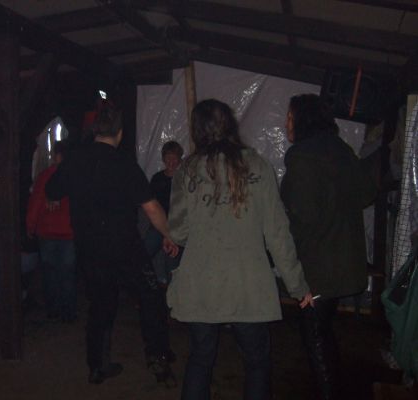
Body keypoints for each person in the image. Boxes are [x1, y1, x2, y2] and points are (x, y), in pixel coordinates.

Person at [166, 99, 312, 400]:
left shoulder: (187, 170)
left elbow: (178, 232)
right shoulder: (258, 166)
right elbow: (277, 234)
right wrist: (298, 286)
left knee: (200, 358)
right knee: (256, 362)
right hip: (248, 283)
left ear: (196, 130)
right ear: (231, 125)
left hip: (202, 282)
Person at [45, 104, 178, 385]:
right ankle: (158, 358)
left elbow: (52, 189)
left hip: (89, 249)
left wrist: (58, 190)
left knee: (100, 304)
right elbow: (152, 207)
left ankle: (97, 365)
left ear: (95, 130)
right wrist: (169, 234)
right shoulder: (123, 163)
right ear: (119, 133)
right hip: (124, 247)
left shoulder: (75, 159)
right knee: (151, 297)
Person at [280, 94, 376, 400]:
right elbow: (366, 193)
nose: (286, 124)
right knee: (323, 331)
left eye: (290, 117)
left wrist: (286, 259)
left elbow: (302, 216)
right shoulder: (340, 149)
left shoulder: (301, 156)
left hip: (317, 269)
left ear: (303, 119)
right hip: (345, 263)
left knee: (315, 337)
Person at [27, 141, 76, 322]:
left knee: (50, 273)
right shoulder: (76, 176)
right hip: (69, 233)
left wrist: (30, 226)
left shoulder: (46, 176)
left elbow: (35, 203)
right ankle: (68, 311)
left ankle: (54, 309)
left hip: (47, 232)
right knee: (67, 273)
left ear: (58, 155)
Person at [144, 141, 184, 284]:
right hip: (158, 226)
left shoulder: (184, 179)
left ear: (179, 159)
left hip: (177, 228)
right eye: (168, 157)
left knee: (172, 265)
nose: (171, 161)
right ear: (163, 158)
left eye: (174, 157)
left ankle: (171, 291)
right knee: (143, 254)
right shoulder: (157, 178)